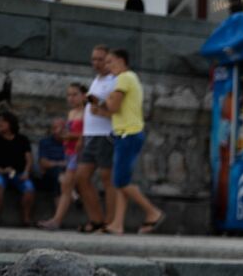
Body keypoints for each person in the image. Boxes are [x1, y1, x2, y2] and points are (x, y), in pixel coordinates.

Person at [96, 48, 164, 234]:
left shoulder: (124, 78)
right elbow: (112, 110)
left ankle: (152, 212)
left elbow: (113, 106)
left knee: (121, 182)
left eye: (110, 62)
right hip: (126, 133)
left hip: (129, 134)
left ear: (121, 61)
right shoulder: (129, 78)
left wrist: (101, 101)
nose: (107, 66)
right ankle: (117, 224)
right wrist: (102, 106)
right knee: (120, 180)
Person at [72, 47, 115, 232]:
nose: (96, 63)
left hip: (105, 135)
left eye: (100, 59)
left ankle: (110, 222)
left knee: (108, 180)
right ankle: (97, 219)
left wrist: (101, 110)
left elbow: (116, 110)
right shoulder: (97, 80)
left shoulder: (116, 81)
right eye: (93, 59)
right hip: (91, 135)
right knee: (81, 177)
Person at [38, 83, 87, 230]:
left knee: (78, 186)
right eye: (69, 95)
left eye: (75, 94)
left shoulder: (87, 112)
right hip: (70, 153)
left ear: (83, 96)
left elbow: (86, 134)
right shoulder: (72, 113)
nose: (71, 98)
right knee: (67, 186)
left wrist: (70, 136)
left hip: (81, 154)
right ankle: (56, 220)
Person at [0, 111, 35, 226]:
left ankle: (26, 218)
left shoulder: (22, 140)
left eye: (3, 121)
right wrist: (1, 170)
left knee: (29, 188)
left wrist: (26, 172)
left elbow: (29, 159)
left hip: (18, 173)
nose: (0, 124)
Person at [34, 117, 67, 195]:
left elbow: (76, 162)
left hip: (67, 174)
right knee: (58, 172)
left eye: (61, 128)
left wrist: (53, 163)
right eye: (55, 128)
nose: (59, 130)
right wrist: (61, 163)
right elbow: (43, 164)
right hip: (49, 175)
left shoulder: (70, 143)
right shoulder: (45, 142)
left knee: (60, 177)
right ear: (52, 129)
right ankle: (74, 194)